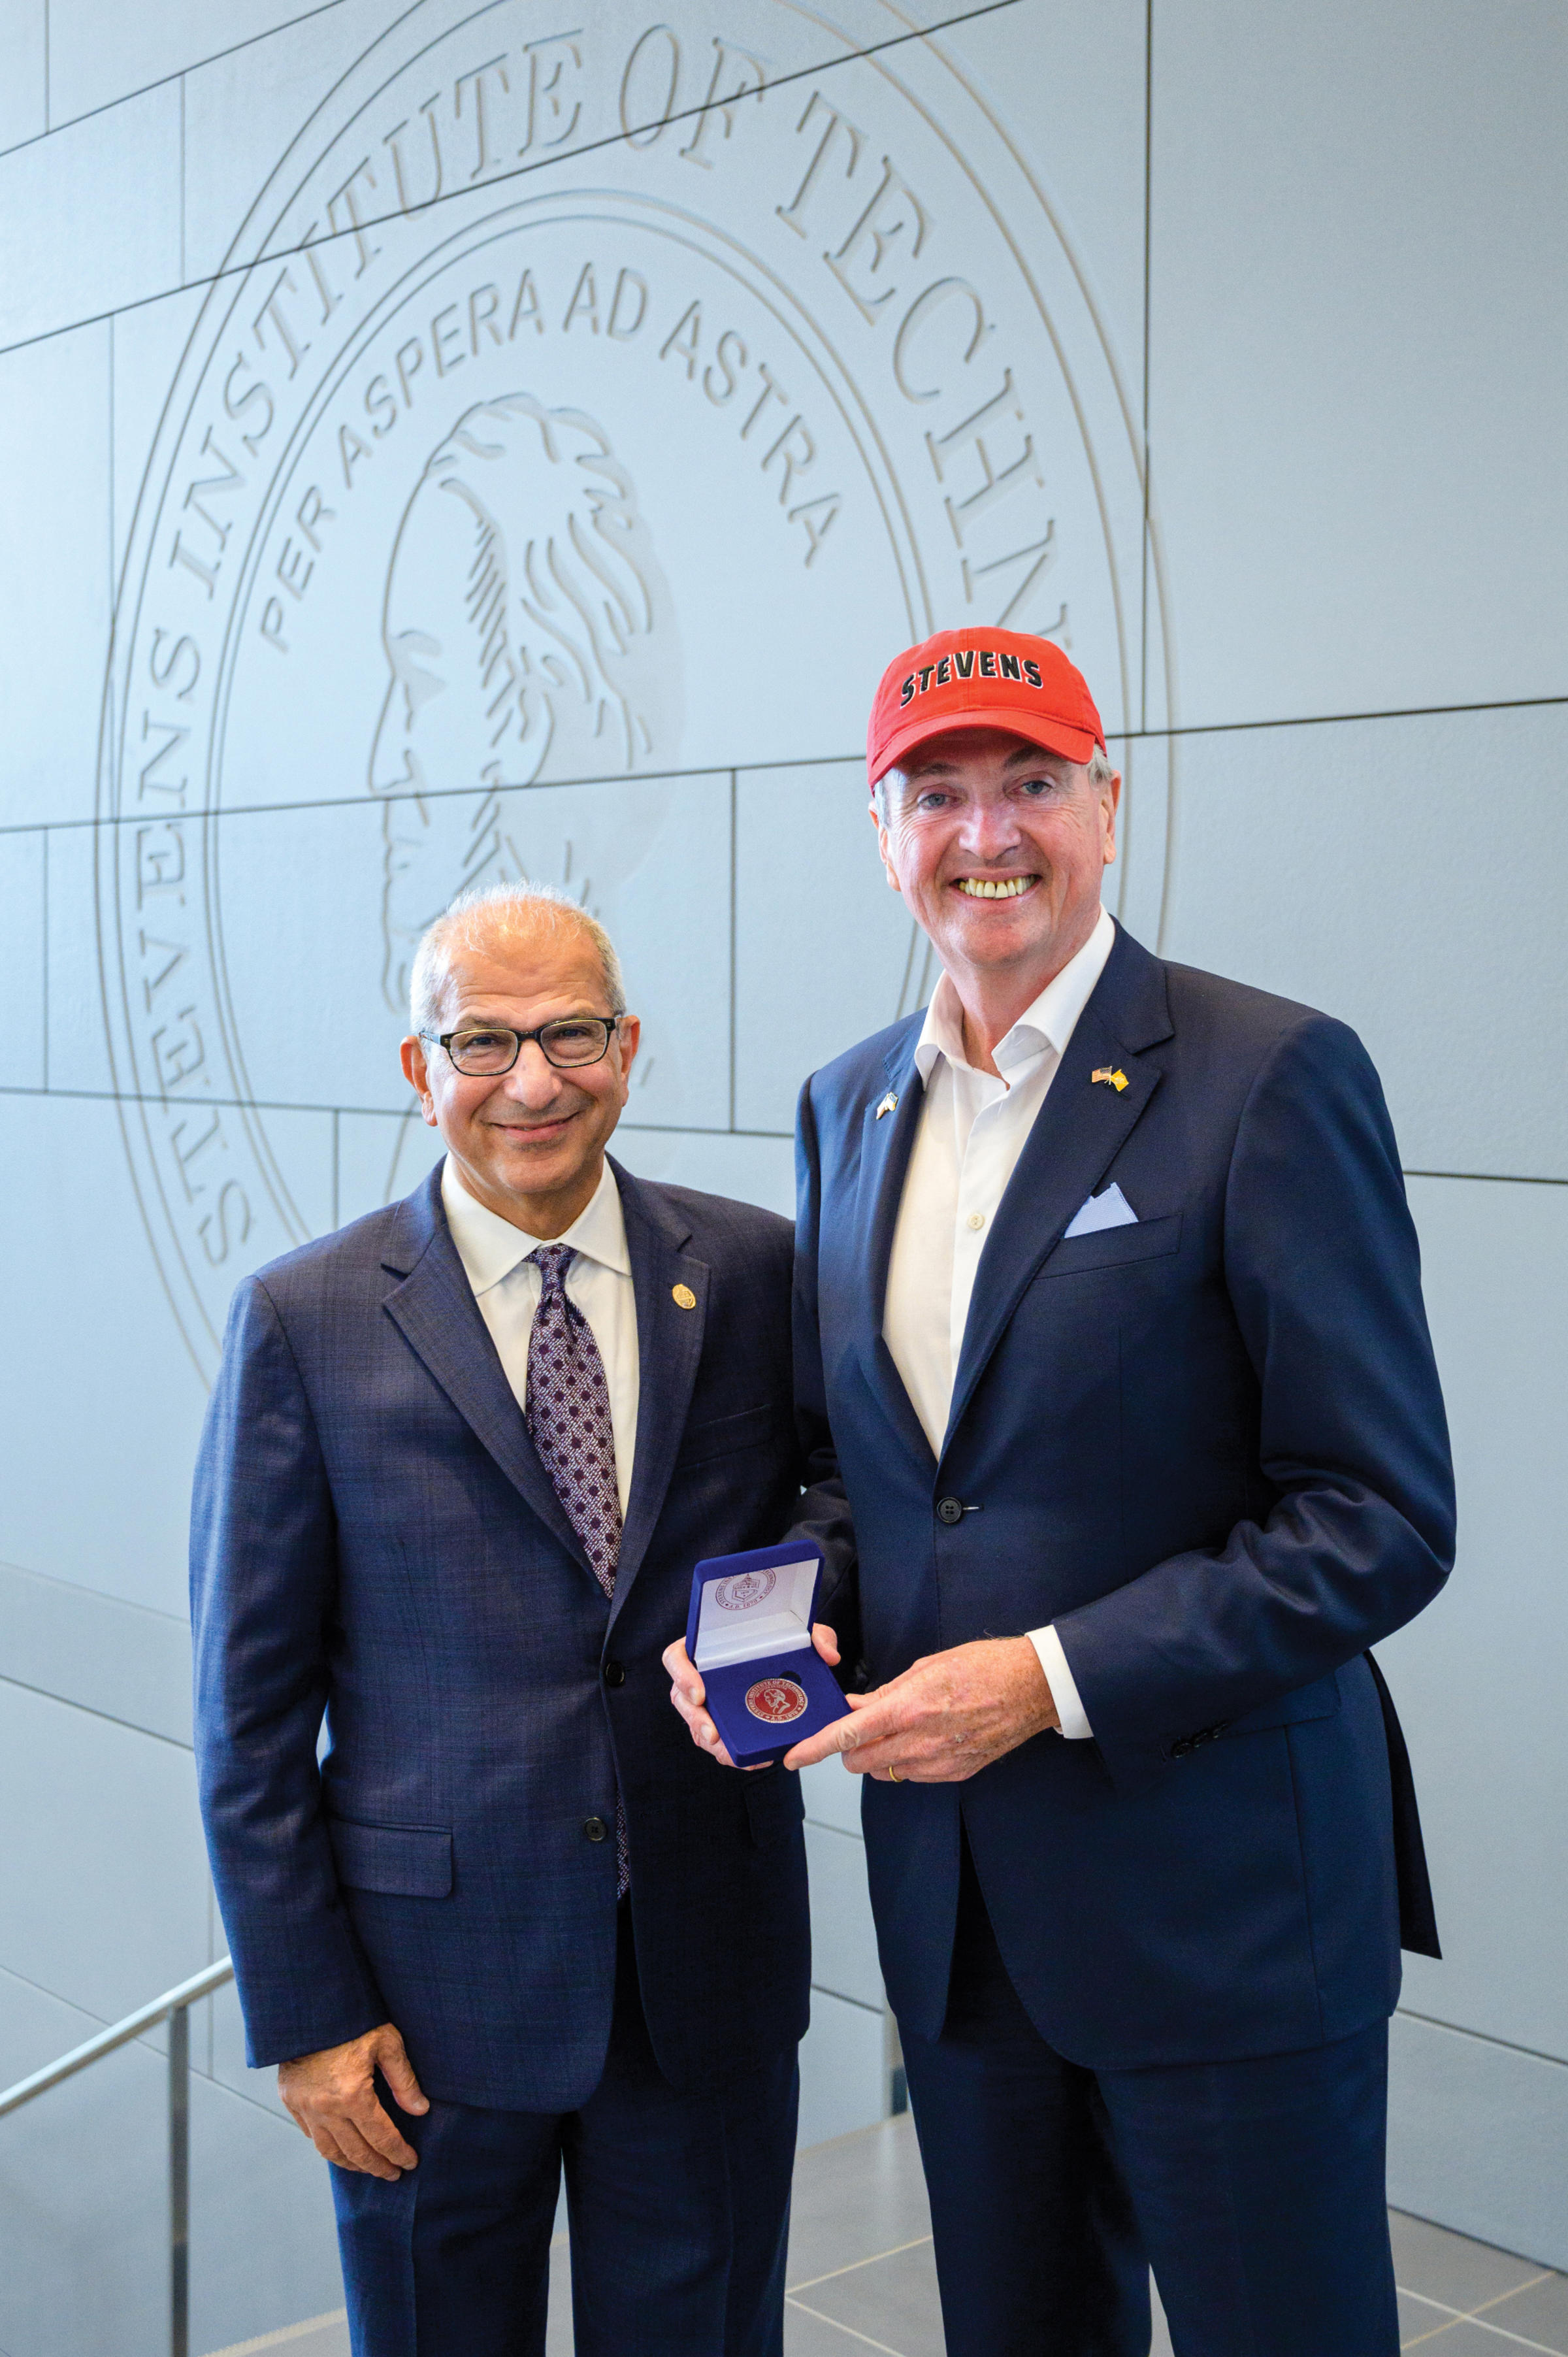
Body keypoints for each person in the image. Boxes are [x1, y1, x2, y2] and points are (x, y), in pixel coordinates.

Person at [666, 629, 1456, 2356]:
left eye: (1030, 782)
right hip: (962, 1912)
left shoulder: (1269, 1077)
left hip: (1226, 1898)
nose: (986, 832)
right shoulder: (846, 1107)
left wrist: (1044, 1680)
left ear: (1110, 804)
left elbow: (1378, 1515)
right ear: (882, 833)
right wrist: (773, 1617)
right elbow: (868, 1481)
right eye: (937, 793)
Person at [191, 881, 836, 2357]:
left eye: (569, 1035)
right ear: (421, 1073)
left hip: (704, 1970)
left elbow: (837, 1498)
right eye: (483, 1042)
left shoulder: (748, 1271)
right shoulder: (307, 1318)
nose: (532, 1081)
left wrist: (807, 1613)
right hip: (423, 2012)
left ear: (629, 1046)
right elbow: (250, 1714)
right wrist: (305, 2014)